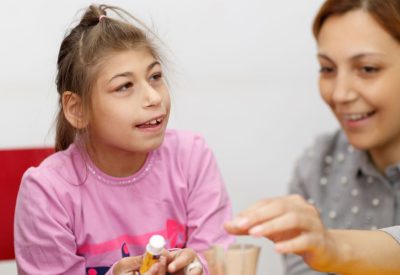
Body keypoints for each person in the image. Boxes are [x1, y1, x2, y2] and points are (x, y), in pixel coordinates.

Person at [14, 4, 233, 275]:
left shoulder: (191, 157)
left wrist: (199, 267)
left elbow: (221, 260)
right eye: (124, 86)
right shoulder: (47, 191)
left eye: (154, 77)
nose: (154, 98)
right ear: (77, 109)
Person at [226, 0, 400, 274]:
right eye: (328, 69)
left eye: (367, 69)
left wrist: (335, 247)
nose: (341, 93)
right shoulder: (318, 166)